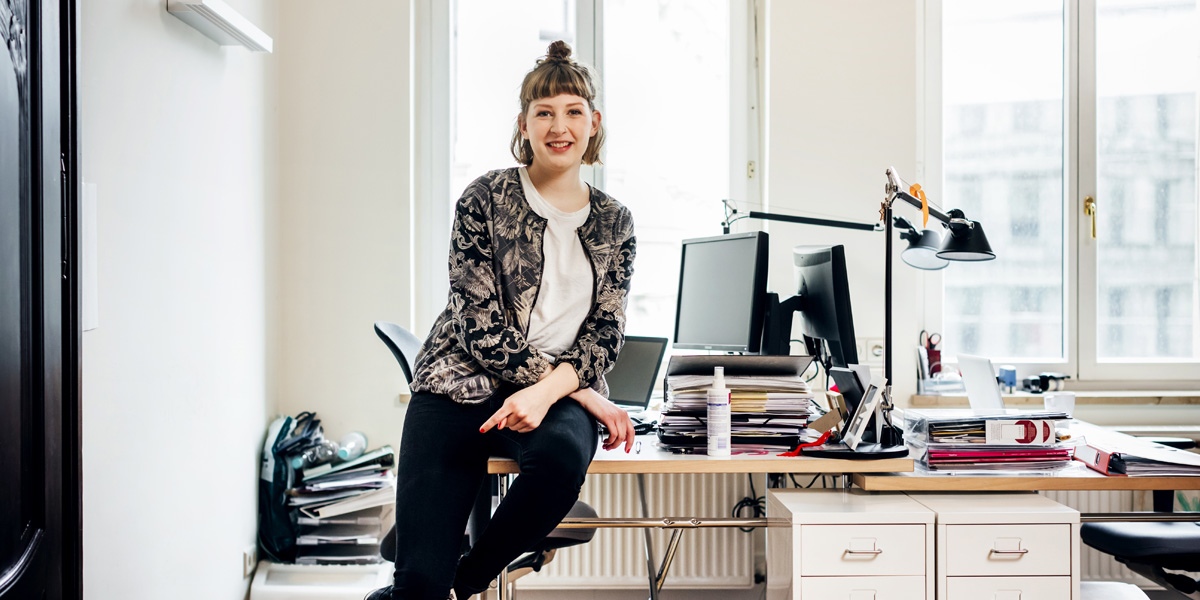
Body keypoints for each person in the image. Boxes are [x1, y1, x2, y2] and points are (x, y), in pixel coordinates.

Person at [367, 40, 637, 600]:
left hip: (557, 395)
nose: (558, 126)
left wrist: (550, 395)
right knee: (415, 585)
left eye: (572, 111)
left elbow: (606, 333)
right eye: (544, 112)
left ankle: (466, 582)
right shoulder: (484, 197)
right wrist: (582, 393)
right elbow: (477, 321)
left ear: (593, 122)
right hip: (456, 384)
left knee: (562, 461)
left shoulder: (615, 221)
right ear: (524, 122)